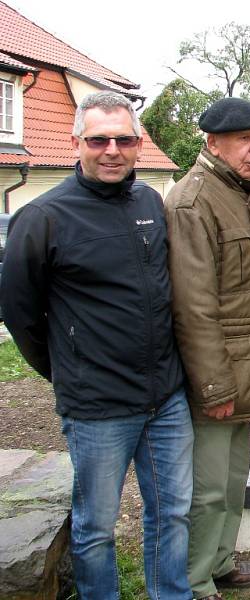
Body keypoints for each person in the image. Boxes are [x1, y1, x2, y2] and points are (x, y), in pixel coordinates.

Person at [0, 91, 193, 599]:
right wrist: (70, 368)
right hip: (98, 407)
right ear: (76, 142)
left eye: (124, 139)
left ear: (137, 144)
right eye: (99, 139)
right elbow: (20, 314)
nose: (112, 149)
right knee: (96, 528)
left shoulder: (150, 202)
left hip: (166, 397)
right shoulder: (42, 218)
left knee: (171, 514)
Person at [164, 97, 250, 600]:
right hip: (217, 379)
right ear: (212, 143)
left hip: (245, 372)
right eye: (245, 140)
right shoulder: (193, 202)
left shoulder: (239, 194)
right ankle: (195, 582)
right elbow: (193, 308)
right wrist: (214, 384)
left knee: (233, 479)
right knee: (208, 488)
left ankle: (220, 563)